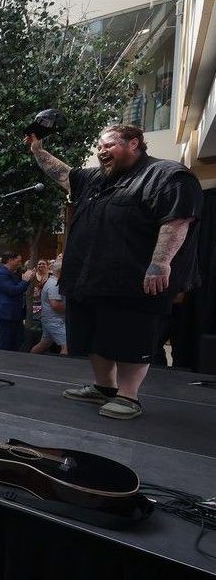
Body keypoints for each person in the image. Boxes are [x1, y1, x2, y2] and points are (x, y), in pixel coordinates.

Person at [26, 124, 201, 418]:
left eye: (108, 145)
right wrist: (37, 150)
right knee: (95, 335)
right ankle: (104, 387)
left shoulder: (166, 175)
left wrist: (160, 263)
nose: (100, 151)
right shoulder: (96, 179)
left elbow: (176, 221)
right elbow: (64, 174)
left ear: (134, 143)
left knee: (130, 336)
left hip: (133, 279)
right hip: (90, 276)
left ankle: (128, 396)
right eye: (99, 146)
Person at [0, 252, 34, 351]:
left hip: (14, 313)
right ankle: (0, 364)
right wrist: (25, 281)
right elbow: (13, 290)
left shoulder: (12, 273)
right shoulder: (1, 273)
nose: (20, 263)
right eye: (18, 261)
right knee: (5, 342)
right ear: (10, 260)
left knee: (17, 341)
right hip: (6, 314)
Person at [31, 259, 67, 355]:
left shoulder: (51, 281)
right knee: (66, 345)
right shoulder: (54, 285)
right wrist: (70, 310)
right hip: (55, 321)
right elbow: (55, 304)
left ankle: (28, 359)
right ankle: (64, 368)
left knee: (44, 344)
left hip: (50, 319)